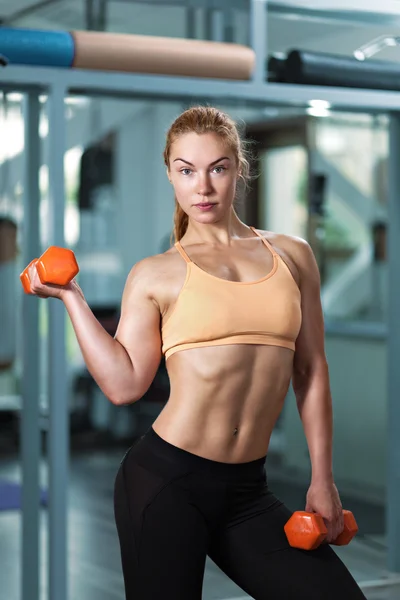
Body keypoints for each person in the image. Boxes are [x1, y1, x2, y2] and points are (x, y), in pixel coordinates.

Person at [27, 106, 367, 600]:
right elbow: (125, 386)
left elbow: (311, 370)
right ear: (170, 173)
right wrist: (72, 298)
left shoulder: (292, 255)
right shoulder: (155, 273)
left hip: (249, 491)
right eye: (186, 170)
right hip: (166, 481)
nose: (202, 187)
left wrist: (323, 477)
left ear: (239, 169)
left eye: (217, 168)